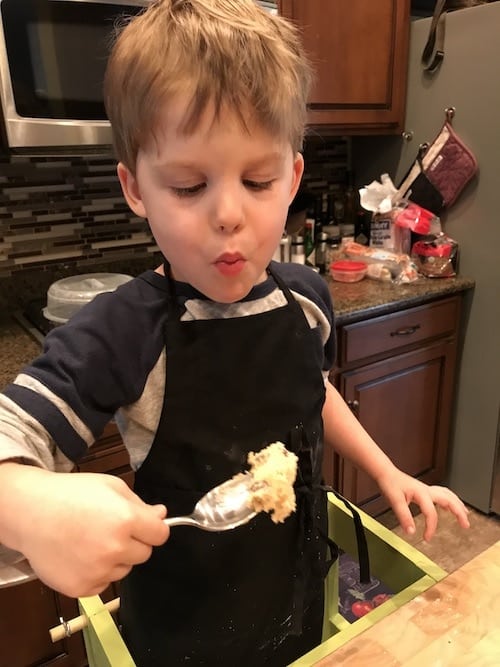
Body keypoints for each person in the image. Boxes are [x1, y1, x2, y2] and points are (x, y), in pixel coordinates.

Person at [0, 1, 469, 665]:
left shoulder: (304, 299)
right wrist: (25, 505)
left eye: (257, 180)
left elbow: (314, 391)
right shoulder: (127, 329)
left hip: (296, 604)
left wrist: (386, 469)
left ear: (293, 178)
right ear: (136, 189)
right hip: (180, 633)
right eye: (189, 185)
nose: (228, 215)